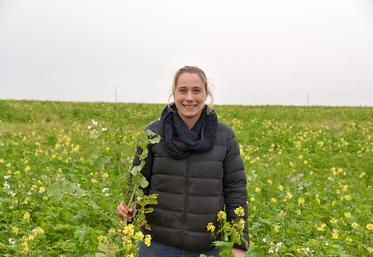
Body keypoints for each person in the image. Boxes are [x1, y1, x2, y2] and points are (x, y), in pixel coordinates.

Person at [117, 66, 249, 257]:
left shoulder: (225, 137)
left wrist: (239, 245)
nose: (189, 97)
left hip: (206, 249)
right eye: (183, 90)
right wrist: (128, 208)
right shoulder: (153, 133)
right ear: (174, 93)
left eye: (196, 90)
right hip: (156, 247)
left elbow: (235, 192)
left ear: (206, 94)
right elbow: (136, 186)